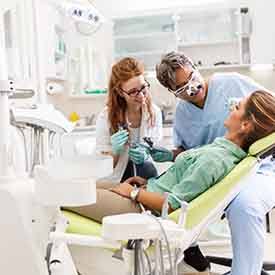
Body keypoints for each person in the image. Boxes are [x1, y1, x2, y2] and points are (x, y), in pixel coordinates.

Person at [67, 91, 275, 234]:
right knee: (73, 184)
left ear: (245, 125)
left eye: (237, 107)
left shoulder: (215, 160)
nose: (231, 107)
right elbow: (180, 183)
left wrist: (133, 193)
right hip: (146, 191)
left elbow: (173, 205)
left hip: (142, 208)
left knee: (61, 194)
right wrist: (148, 183)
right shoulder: (220, 149)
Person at [154, 52, 275, 274]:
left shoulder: (232, 83)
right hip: (218, 176)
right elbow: (189, 153)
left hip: (260, 168)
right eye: (182, 88)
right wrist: (170, 154)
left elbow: (270, 106)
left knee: (244, 206)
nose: (193, 88)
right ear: (173, 93)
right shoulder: (183, 115)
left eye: (192, 78)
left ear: (194, 65)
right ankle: (191, 251)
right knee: (178, 201)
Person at [96, 57, 162, 183]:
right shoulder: (106, 117)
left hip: (146, 174)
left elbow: (156, 150)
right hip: (116, 178)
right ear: (120, 93)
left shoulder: (154, 113)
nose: (142, 95)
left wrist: (147, 154)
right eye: (133, 92)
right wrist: (114, 152)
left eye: (143, 87)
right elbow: (101, 168)